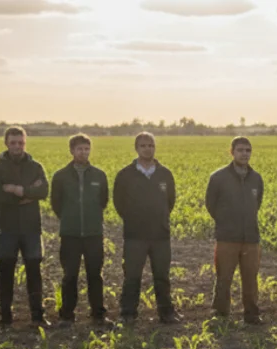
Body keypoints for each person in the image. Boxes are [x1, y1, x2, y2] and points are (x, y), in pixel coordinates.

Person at [113, 132, 180, 324]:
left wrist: (160, 218)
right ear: (136, 148)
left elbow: (170, 202)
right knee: (132, 276)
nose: (147, 149)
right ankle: (128, 313)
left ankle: (166, 313)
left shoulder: (164, 174)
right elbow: (119, 202)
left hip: (160, 234)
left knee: (162, 276)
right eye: (143, 146)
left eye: (150, 145)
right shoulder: (125, 175)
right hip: (135, 235)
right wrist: (133, 219)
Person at [0, 126, 50, 329]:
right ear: (6, 143)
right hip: (6, 228)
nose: (17, 146)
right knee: (5, 272)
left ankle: (38, 316)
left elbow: (43, 191)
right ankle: (5, 317)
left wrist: (16, 189)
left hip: (31, 228)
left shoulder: (35, 166)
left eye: (21, 142)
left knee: (34, 271)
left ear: (25, 143)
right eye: (13, 142)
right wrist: (27, 195)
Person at [50, 134, 111, 328]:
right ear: (72, 151)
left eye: (86, 149)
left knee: (95, 274)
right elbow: (56, 204)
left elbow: (103, 201)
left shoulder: (99, 175)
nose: (83, 152)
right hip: (70, 234)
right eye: (79, 149)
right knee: (70, 275)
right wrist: (70, 219)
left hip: (94, 234)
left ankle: (98, 314)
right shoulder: (60, 176)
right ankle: (67, 315)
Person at [206, 136, 264, 324]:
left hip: (251, 237)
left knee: (250, 277)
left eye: (248, 150)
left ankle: (252, 313)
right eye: (240, 150)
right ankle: (221, 313)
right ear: (231, 152)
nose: (244, 154)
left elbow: (257, 204)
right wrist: (225, 222)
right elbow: (211, 205)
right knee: (224, 276)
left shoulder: (256, 178)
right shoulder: (218, 177)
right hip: (227, 237)